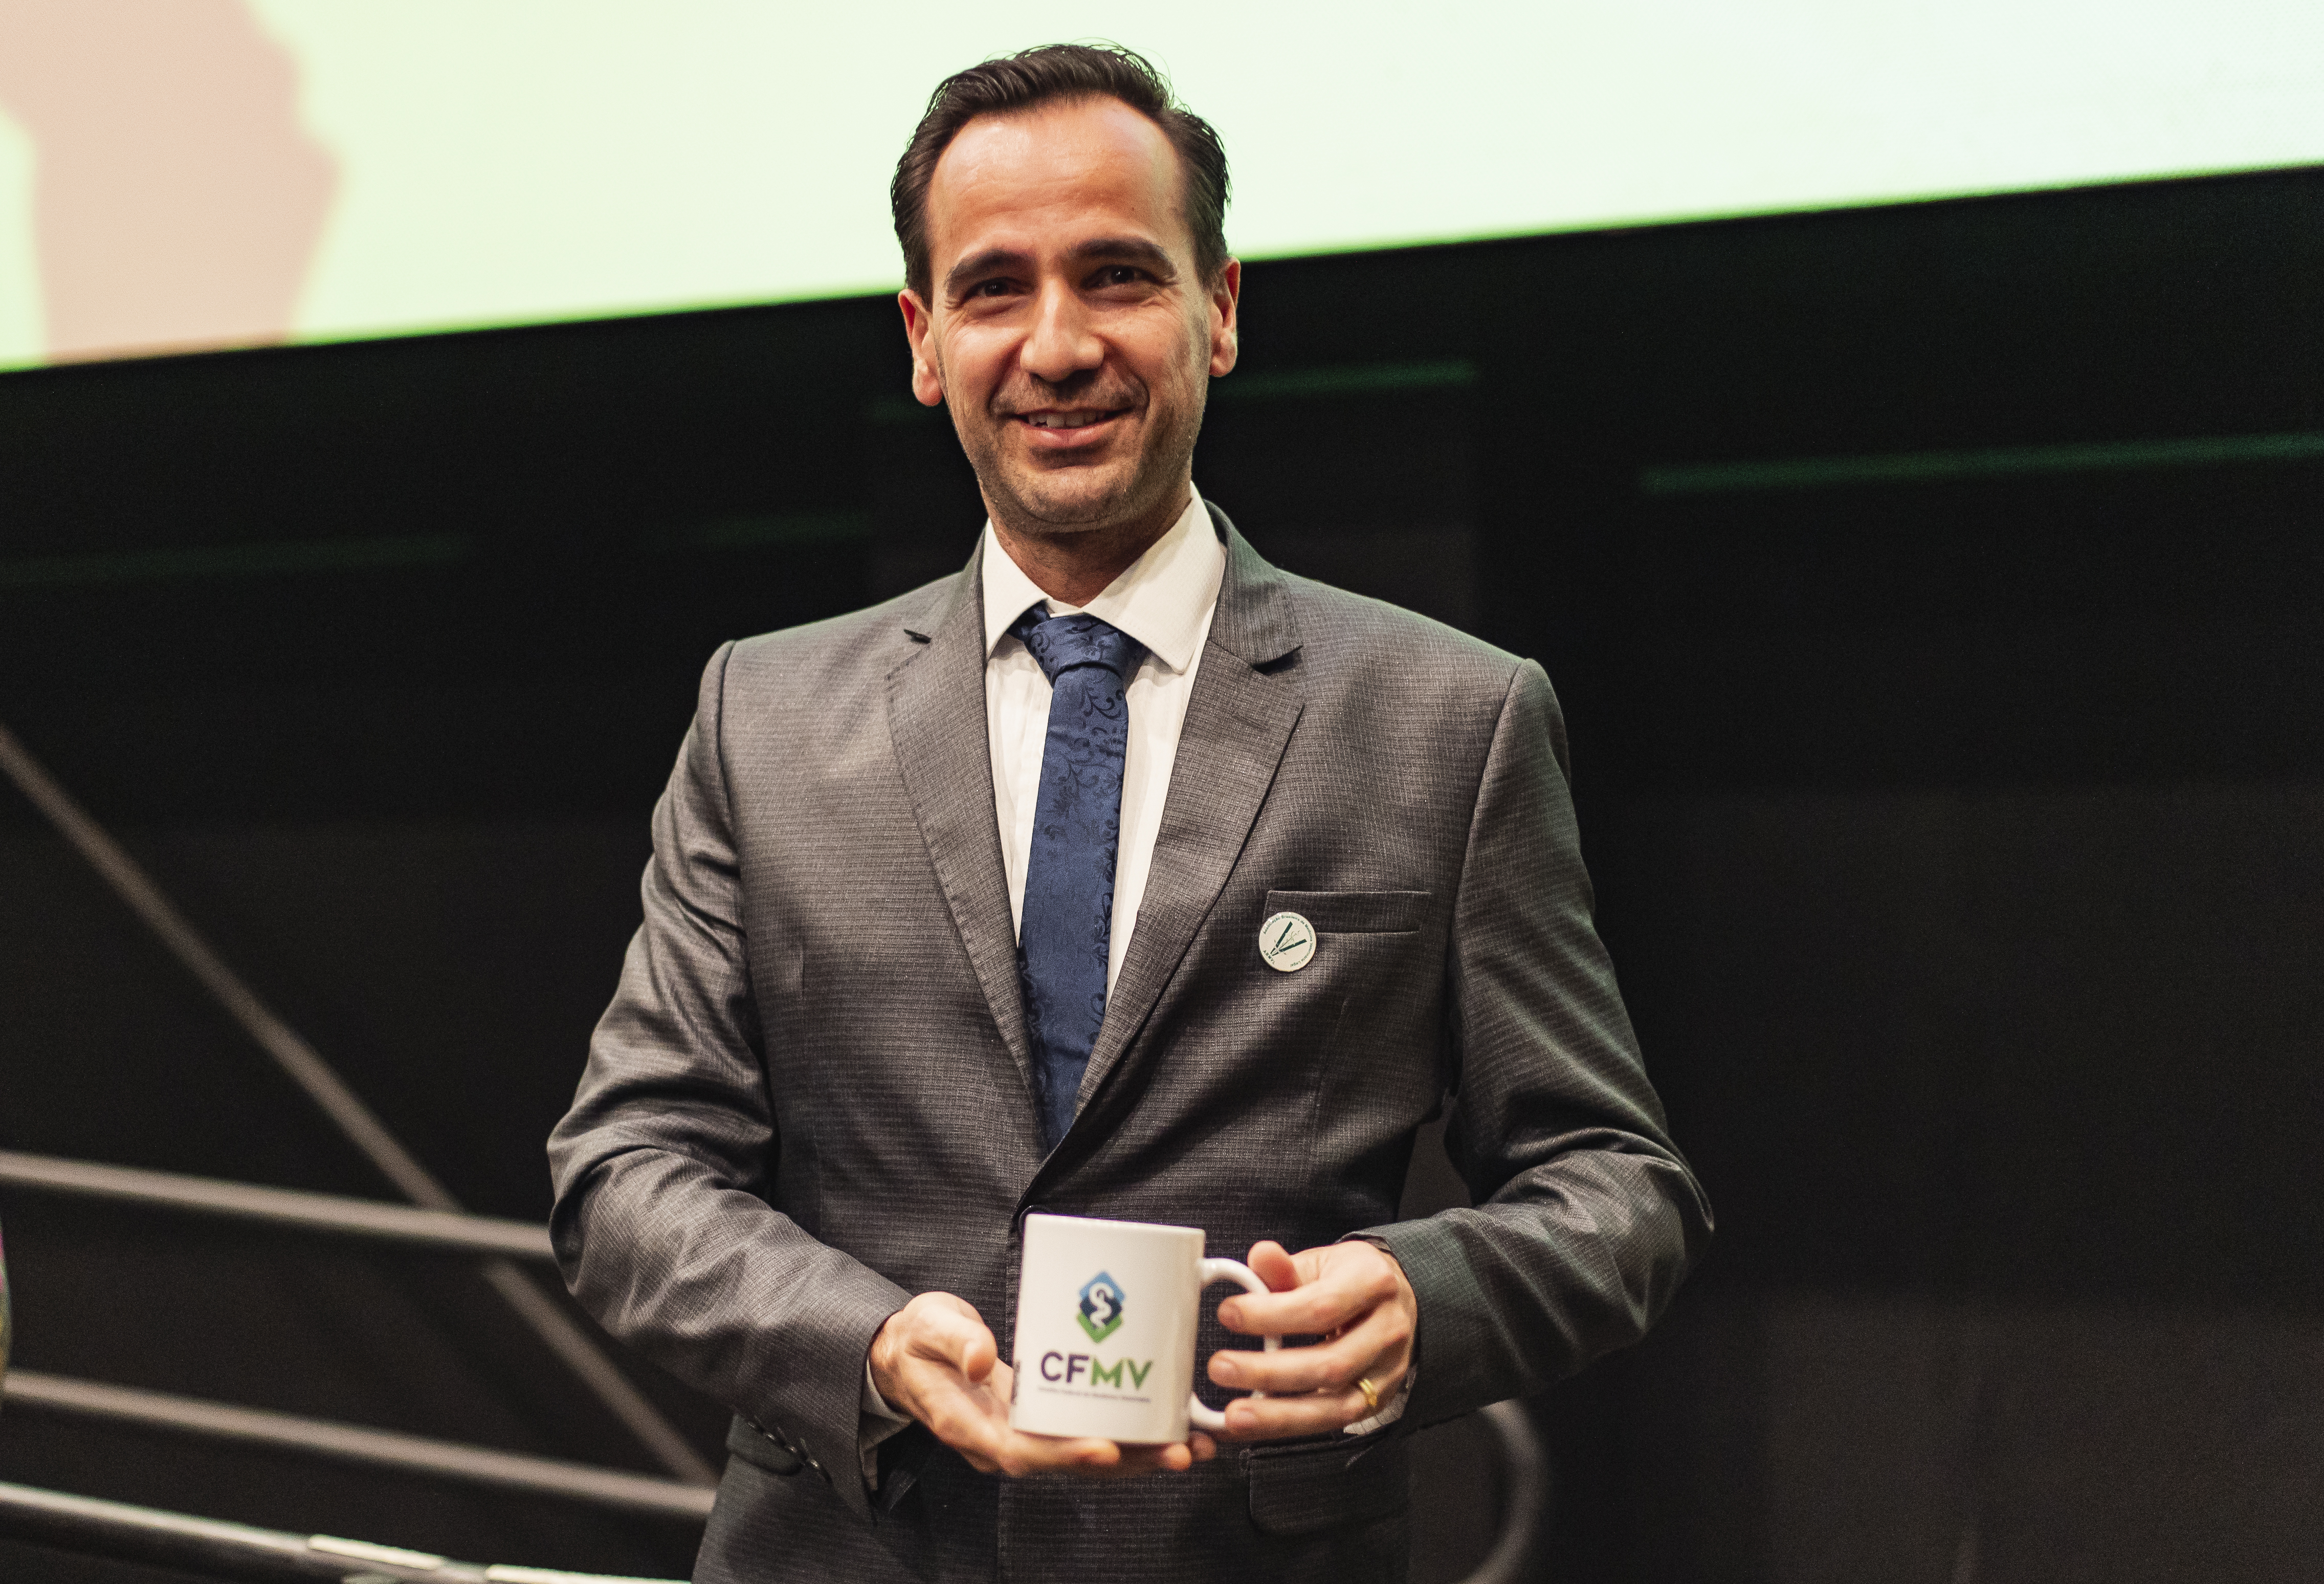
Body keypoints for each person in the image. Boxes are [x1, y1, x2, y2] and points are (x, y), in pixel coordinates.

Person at [549, 42, 1710, 1584]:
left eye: (1117, 276)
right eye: (993, 288)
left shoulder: (1450, 721)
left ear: (1218, 310)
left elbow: (1619, 1189)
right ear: (923, 338)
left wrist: (1430, 1298)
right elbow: (627, 1169)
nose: (1057, 345)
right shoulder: (762, 719)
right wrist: (873, 1344)